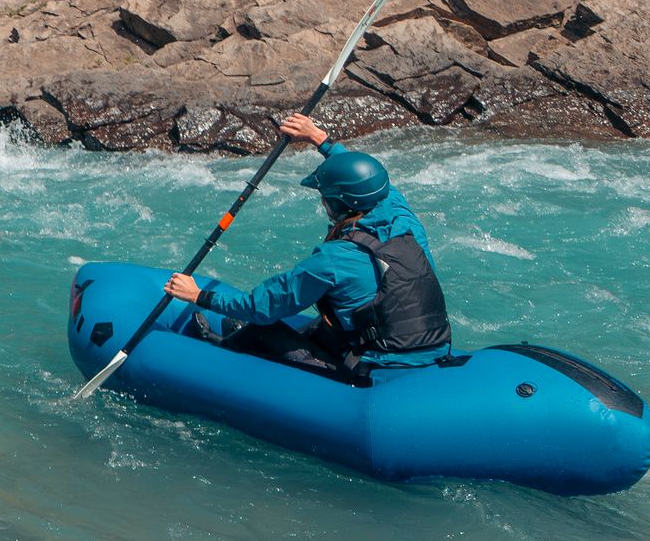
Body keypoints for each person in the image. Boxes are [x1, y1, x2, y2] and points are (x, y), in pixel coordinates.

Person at [162, 115, 452, 379]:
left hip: (377, 365)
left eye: (324, 196)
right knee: (321, 325)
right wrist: (320, 139)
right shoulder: (406, 221)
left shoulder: (335, 258)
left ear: (337, 204)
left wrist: (199, 295)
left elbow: (262, 306)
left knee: (264, 329)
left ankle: (221, 347)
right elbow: (370, 180)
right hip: (431, 347)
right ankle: (242, 335)